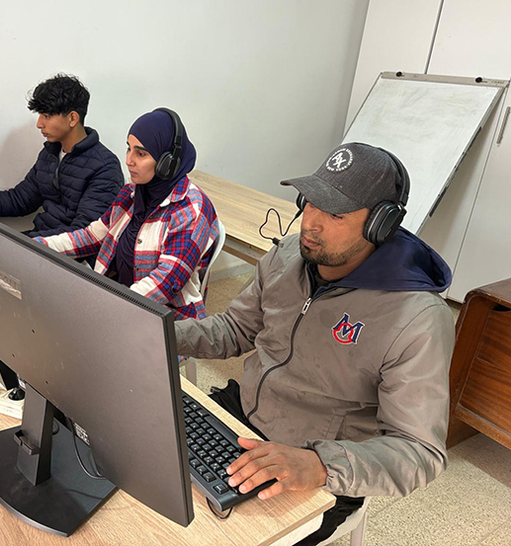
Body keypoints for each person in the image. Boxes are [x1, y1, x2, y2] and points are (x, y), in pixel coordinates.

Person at [175, 143, 454, 545]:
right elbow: (235, 328)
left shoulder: (417, 318)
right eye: (310, 202)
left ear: (381, 224)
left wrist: (321, 464)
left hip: (320, 465)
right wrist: (158, 331)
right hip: (242, 416)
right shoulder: (286, 256)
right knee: (144, 476)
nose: (311, 224)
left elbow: (420, 451)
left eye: (336, 213)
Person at [35, 108, 219, 320]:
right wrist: (38, 245)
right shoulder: (131, 194)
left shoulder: (191, 210)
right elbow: (91, 236)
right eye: (128, 149)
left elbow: (165, 282)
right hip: (124, 302)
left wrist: (105, 308)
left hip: (169, 319)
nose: (129, 160)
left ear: (167, 163)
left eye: (140, 154)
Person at [0, 74, 123, 238]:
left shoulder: (105, 167)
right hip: (39, 243)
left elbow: (84, 235)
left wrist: (25, 242)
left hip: (63, 253)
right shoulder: (50, 154)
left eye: (47, 116)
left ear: (72, 118)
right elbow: (19, 200)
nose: (39, 124)